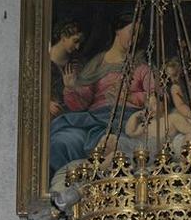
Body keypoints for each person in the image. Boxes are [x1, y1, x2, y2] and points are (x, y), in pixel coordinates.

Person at [49, 12, 154, 179]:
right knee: (61, 141)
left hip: (127, 121)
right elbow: (81, 103)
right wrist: (70, 88)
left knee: (112, 146)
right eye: (132, 32)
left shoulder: (141, 67)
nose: (135, 39)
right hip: (95, 120)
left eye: (139, 36)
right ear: (117, 30)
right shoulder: (96, 63)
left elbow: (155, 98)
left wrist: (130, 98)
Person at [49, 20, 83, 118]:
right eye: (75, 41)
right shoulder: (42, 59)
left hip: (69, 113)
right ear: (63, 38)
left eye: (80, 42)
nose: (78, 47)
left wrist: (71, 88)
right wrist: (46, 103)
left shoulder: (76, 63)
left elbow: (81, 98)